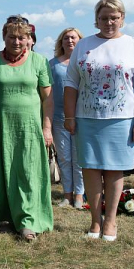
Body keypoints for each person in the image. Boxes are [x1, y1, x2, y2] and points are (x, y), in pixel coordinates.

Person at [64, 0, 134, 241]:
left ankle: (110, 222)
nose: (109, 22)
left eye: (114, 17)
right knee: (90, 169)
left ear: (122, 18)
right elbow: (71, 82)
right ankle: (94, 221)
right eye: (104, 18)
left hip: (121, 119)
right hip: (87, 117)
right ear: (96, 19)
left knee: (114, 171)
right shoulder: (84, 45)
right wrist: (69, 116)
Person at [0, 16, 53, 242]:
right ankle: (4, 217)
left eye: (22, 37)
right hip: (0, 127)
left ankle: (28, 221)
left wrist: (47, 128)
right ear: (4, 37)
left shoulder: (39, 61)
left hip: (29, 128)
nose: (17, 41)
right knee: (2, 172)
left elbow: (48, 100)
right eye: (12, 37)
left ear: (29, 38)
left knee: (27, 174)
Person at [48, 27, 85, 208]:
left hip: (81, 117)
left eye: (73, 37)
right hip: (58, 117)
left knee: (79, 158)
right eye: (66, 38)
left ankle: (79, 195)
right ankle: (67, 195)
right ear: (60, 42)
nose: (70, 41)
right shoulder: (52, 64)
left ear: (80, 40)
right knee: (64, 158)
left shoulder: (85, 62)